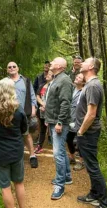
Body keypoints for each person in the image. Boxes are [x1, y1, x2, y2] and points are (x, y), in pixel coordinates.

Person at [0, 78, 27, 208]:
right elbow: (24, 129)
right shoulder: (18, 109)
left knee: (5, 187)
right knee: (19, 183)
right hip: (16, 152)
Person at [75, 58, 107, 208]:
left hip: (88, 133)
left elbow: (91, 114)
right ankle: (94, 194)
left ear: (90, 67)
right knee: (90, 166)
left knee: (93, 167)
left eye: (85, 62)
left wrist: (81, 132)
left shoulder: (93, 86)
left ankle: (104, 202)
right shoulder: (90, 85)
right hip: (87, 133)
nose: (81, 63)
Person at [44, 57, 73, 200]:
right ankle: (67, 176)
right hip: (52, 120)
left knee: (57, 154)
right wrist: (48, 119)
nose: (51, 63)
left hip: (59, 122)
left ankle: (60, 185)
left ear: (61, 66)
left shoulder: (65, 80)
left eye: (54, 61)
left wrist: (60, 121)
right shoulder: (56, 78)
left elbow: (65, 103)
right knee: (60, 150)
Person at [7, 61, 39, 168]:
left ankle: (32, 156)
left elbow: (32, 95)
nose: (12, 68)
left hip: (24, 113)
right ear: (7, 70)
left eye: (14, 66)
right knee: (12, 134)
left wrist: (34, 108)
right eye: (9, 67)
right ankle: (15, 157)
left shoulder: (25, 81)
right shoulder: (4, 82)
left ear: (18, 68)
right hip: (10, 114)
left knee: (26, 134)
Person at [68, 73, 85, 170]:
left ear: (83, 82)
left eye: (79, 78)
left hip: (79, 120)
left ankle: (81, 162)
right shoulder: (72, 89)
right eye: (77, 76)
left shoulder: (84, 92)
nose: (76, 78)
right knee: (68, 139)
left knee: (80, 141)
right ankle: (72, 157)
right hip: (70, 119)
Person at [34, 70, 53, 154]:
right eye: (47, 74)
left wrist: (47, 106)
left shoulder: (54, 86)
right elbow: (37, 96)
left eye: (49, 74)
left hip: (51, 111)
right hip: (41, 110)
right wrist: (42, 104)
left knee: (52, 127)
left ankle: (55, 146)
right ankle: (39, 146)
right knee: (42, 128)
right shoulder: (42, 85)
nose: (47, 75)